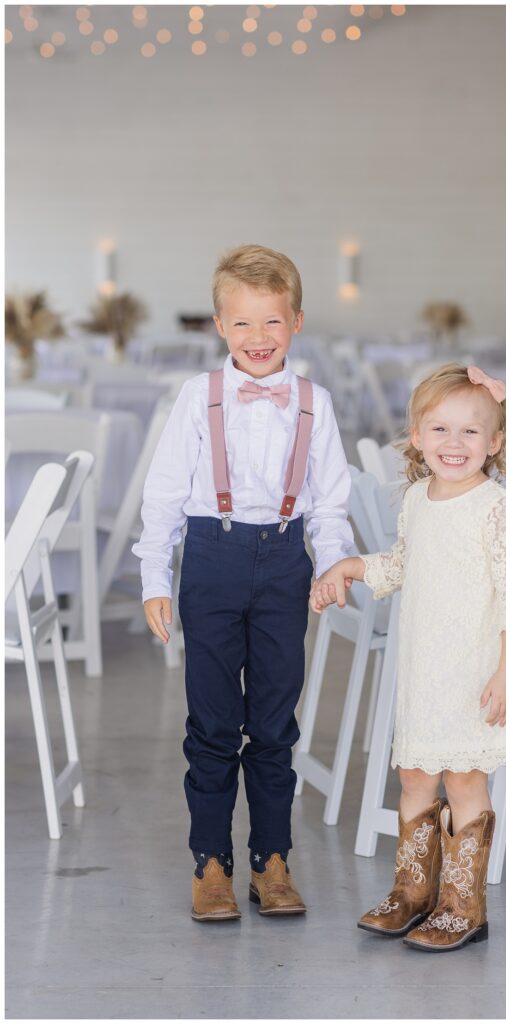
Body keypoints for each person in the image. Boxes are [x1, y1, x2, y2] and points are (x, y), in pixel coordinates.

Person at [133, 244, 353, 922]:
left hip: (285, 562)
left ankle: (271, 858)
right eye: (243, 324)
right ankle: (210, 861)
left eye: (272, 323)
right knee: (211, 720)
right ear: (219, 327)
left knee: (273, 722)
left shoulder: (314, 402)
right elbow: (165, 491)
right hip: (211, 556)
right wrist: (153, 575)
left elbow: (330, 502)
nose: (258, 339)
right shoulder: (197, 398)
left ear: (297, 322)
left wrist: (332, 563)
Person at [310, 363, 506, 952]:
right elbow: (404, 565)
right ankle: (412, 892)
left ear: (496, 442)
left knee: (464, 778)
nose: (454, 444)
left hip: (474, 671)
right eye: (440, 429)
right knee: (415, 773)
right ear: (416, 435)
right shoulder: (417, 498)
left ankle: (464, 904)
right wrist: (354, 566)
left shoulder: (497, 509)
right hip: (423, 670)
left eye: (471, 432)